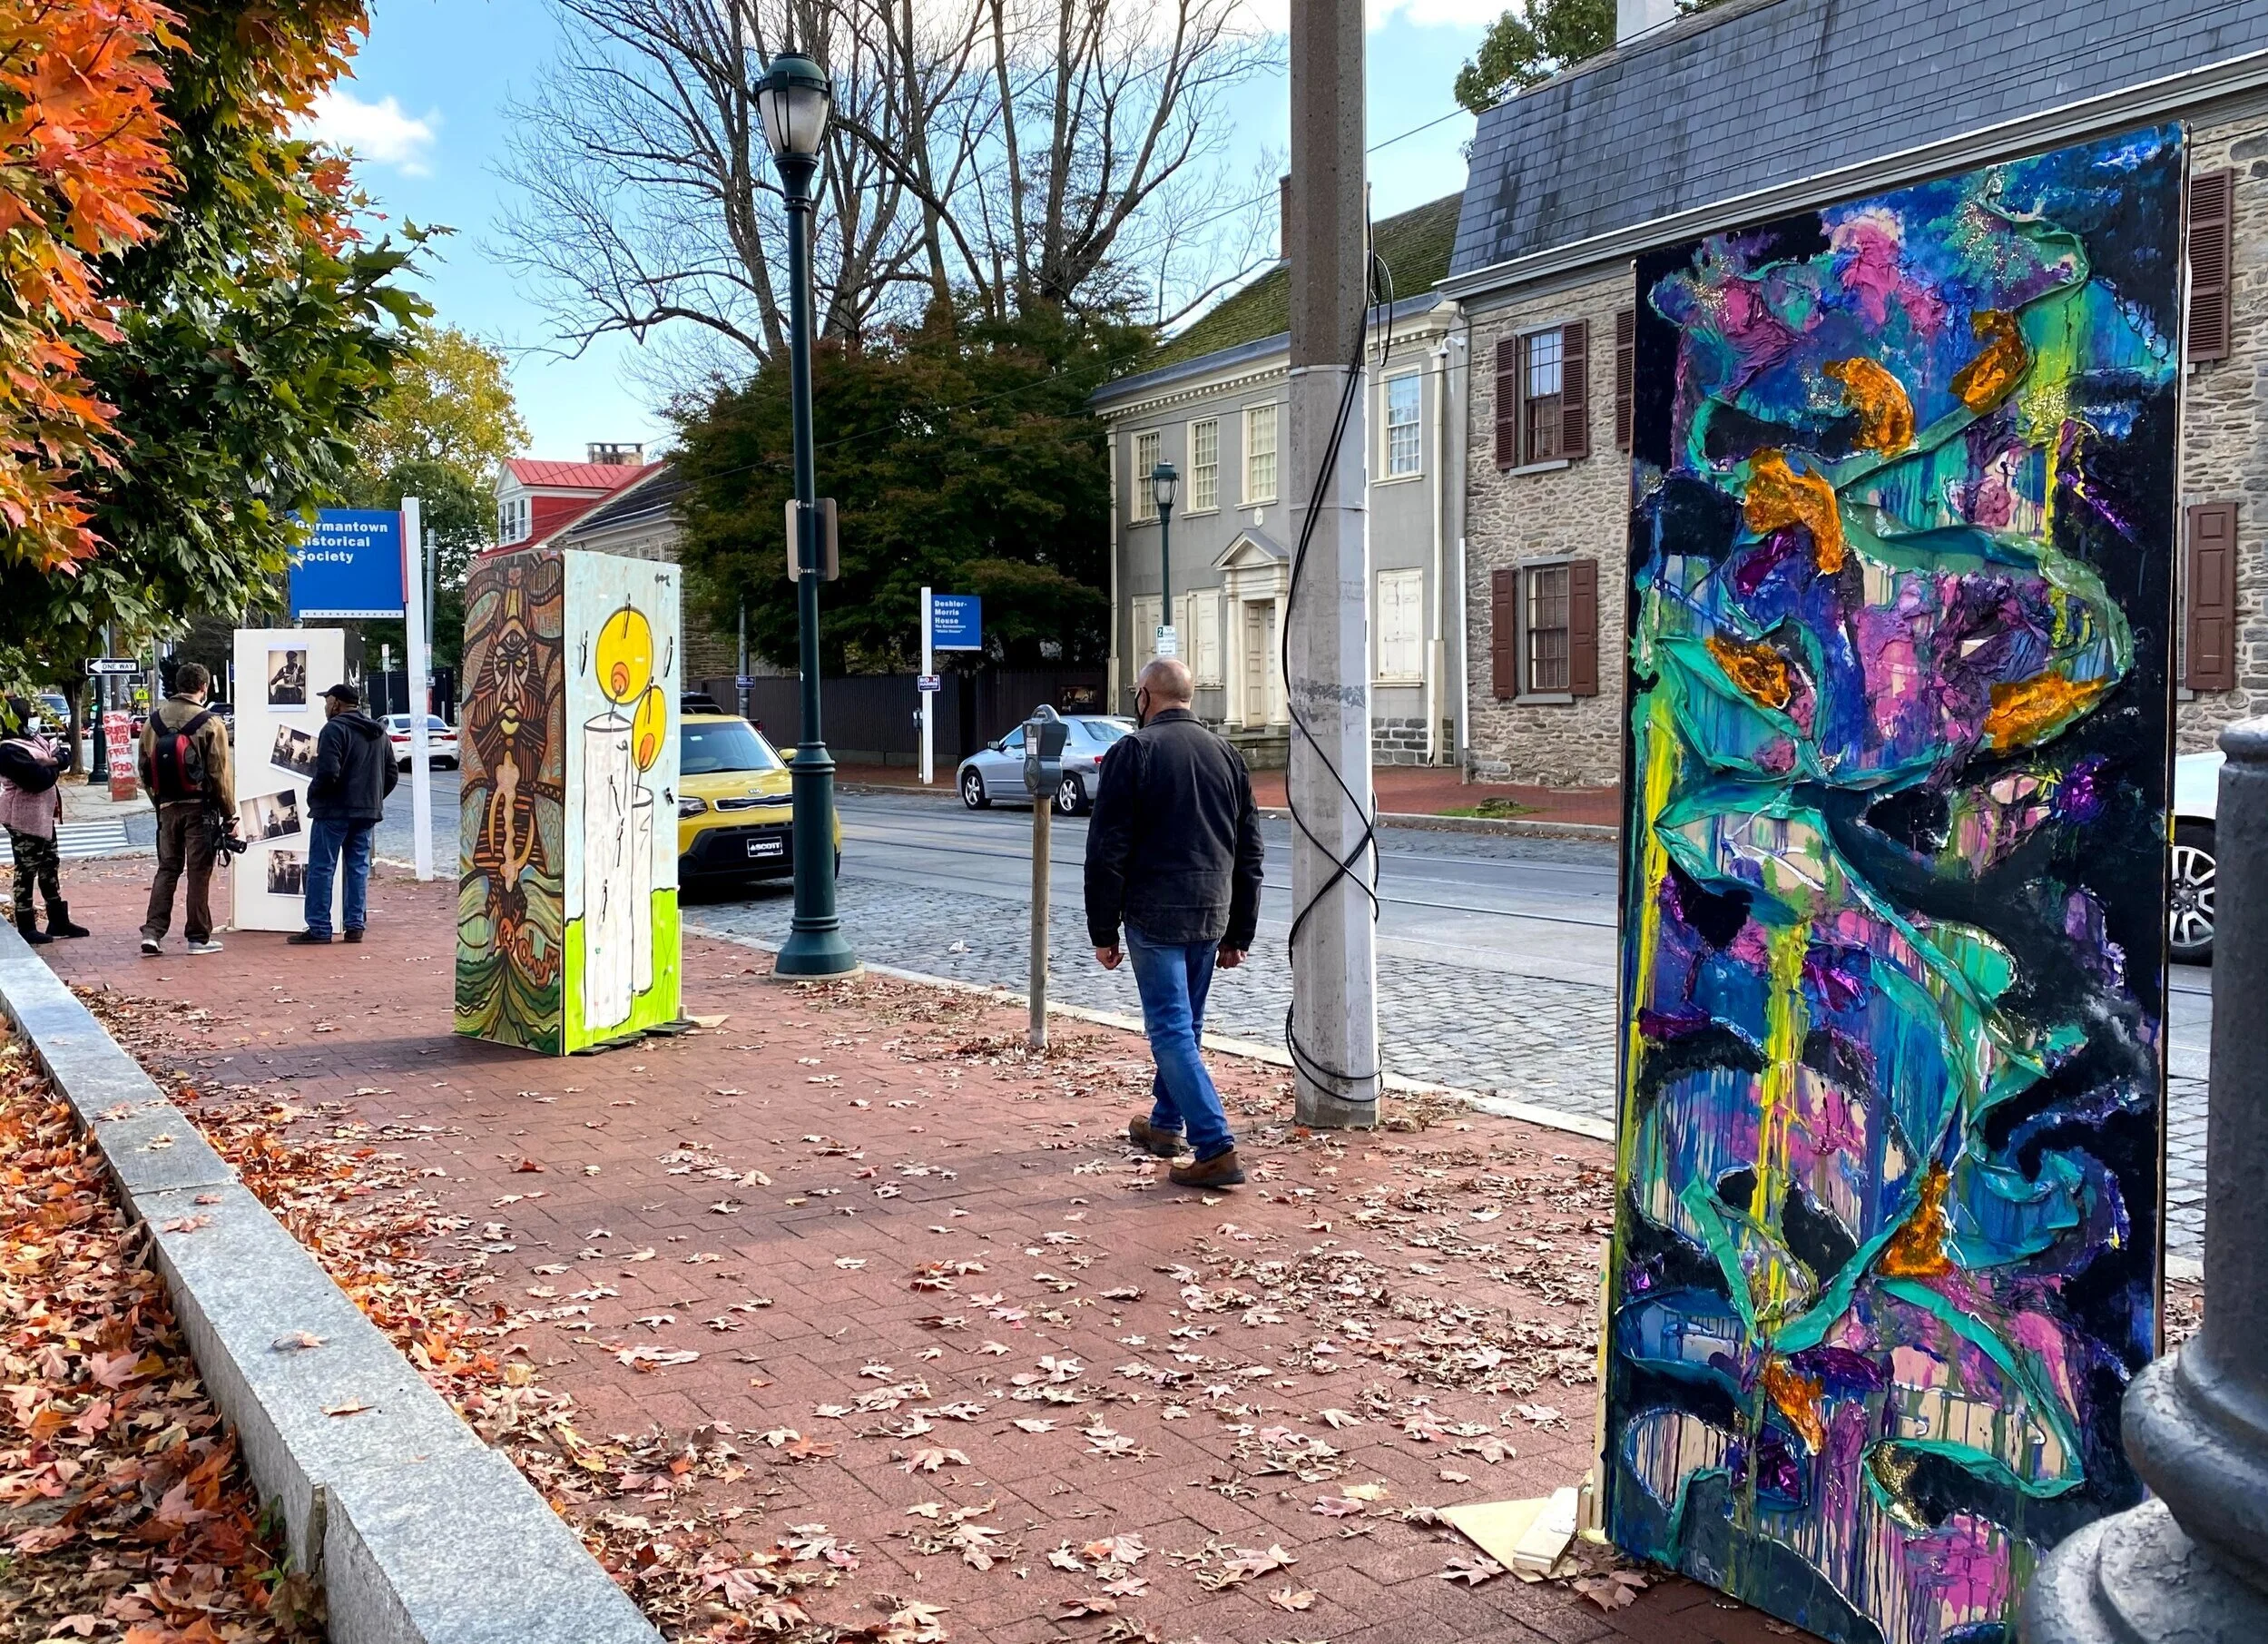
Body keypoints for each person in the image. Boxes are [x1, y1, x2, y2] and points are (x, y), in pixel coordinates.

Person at [1084, 656, 1263, 1189]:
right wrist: (1240, 930)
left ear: (1145, 696)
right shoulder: (1228, 755)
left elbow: (1106, 848)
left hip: (1154, 912)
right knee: (1187, 1027)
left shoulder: (1132, 752)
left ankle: (1214, 1145)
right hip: (1210, 911)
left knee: (1168, 1030)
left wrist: (1103, 929)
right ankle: (1165, 1124)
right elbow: (1249, 852)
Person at [138, 663, 233, 956]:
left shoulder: (153, 722)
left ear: (176, 685)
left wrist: (159, 802)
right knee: (198, 871)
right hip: (199, 807)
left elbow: (144, 767)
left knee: (167, 868)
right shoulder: (210, 722)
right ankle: (197, 937)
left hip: (167, 806)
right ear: (203, 687)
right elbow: (219, 773)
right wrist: (230, 814)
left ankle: (153, 932)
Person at [291, 682, 396, 945]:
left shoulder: (334, 729)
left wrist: (314, 795)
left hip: (333, 810)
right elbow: (391, 774)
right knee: (358, 867)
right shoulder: (378, 733)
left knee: (321, 868)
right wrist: (371, 798)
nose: (325, 706)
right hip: (366, 811)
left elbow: (327, 772)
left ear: (336, 703)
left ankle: (319, 927)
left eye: (327, 701)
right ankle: (355, 925)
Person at [0, 699, 87, 945]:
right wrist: (54, 764)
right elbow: (38, 779)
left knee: (50, 863)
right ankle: (26, 924)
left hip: (44, 815)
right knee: (27, 869)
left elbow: (63, 754)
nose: (34, 718)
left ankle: (58, 918)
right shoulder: (8, 749)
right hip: (22, 817)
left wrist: (54, 761)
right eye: (30, 714)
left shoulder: (32, 740)